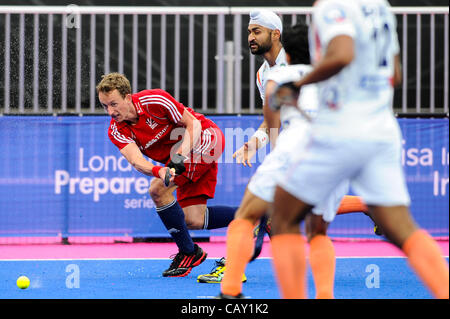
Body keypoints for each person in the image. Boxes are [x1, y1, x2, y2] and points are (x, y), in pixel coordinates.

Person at [268, 0, 449, 299]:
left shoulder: (331, 6)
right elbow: (396, 74)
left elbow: (342, 54)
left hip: (341, 127)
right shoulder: (380, 6)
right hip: (382, 128)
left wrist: (300, 83)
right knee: (402, 228)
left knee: (282, 218)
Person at [215, 10, 368, 299]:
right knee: (316, 231)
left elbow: (274, 121)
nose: (250, 37)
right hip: (331, 153)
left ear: (277, 34)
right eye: (249, 31)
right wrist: (253, 144)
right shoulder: (269, 74)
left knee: (246, 216)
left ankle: (231, 291)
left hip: (294, 151)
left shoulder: (281, 74)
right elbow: (271, 124)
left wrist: (278, 166)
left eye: (256, 31)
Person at [97, 73, 237, 277]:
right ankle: (257, 215)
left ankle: (189, 252)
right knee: (193, 220)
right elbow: (137, 161)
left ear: (128, 97)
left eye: (114, 104)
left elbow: (194, 124)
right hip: (178, 160)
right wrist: (158, 170)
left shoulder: (154, 100)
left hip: (206, 139)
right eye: (104, 106)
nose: (110, 111)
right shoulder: (116, 130)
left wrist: (179, 157)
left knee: (157, 189)